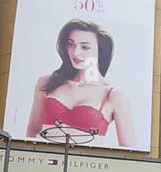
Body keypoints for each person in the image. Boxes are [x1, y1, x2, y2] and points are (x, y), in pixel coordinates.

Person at [27, 19, 137, 148]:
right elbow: (32, 131)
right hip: (45, 162)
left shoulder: (114, 96)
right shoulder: (47, 82)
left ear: (100, 51)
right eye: (71, 44)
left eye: (85, 47)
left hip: (85, 165)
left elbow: (129, 151)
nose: (75, 52)